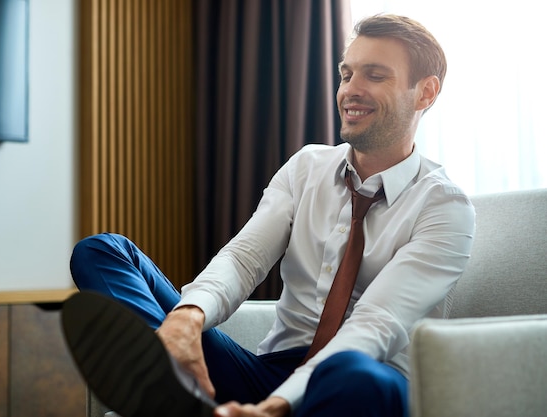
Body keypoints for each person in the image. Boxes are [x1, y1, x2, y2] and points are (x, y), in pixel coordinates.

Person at [64, 13, 475, 417]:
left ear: (425, 92)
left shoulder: (444, 207)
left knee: (356, 375)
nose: (351, 89)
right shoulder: (306, 166)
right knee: (102, 251)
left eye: (375, 75)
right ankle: (174, 386)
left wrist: (276, 408)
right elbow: (243, 260)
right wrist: (185, 320)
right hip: (269, 372)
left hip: (360, 379)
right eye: (346, 74)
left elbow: (375, 326)